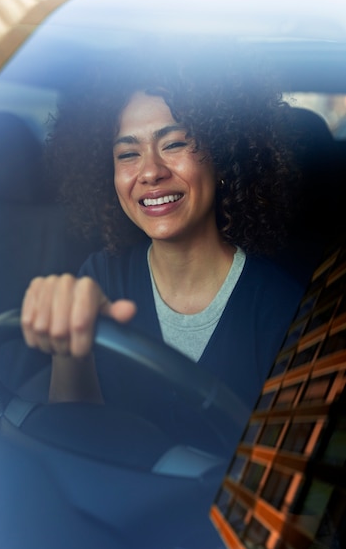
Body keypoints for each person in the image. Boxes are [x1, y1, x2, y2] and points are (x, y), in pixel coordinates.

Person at [20, 50, 304, 447]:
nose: (151, 171)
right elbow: (74, 445)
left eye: (173, 144)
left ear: (222, 156)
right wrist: (69, 352)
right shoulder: (99, 278)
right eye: (128, 154)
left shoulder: (284, 312)